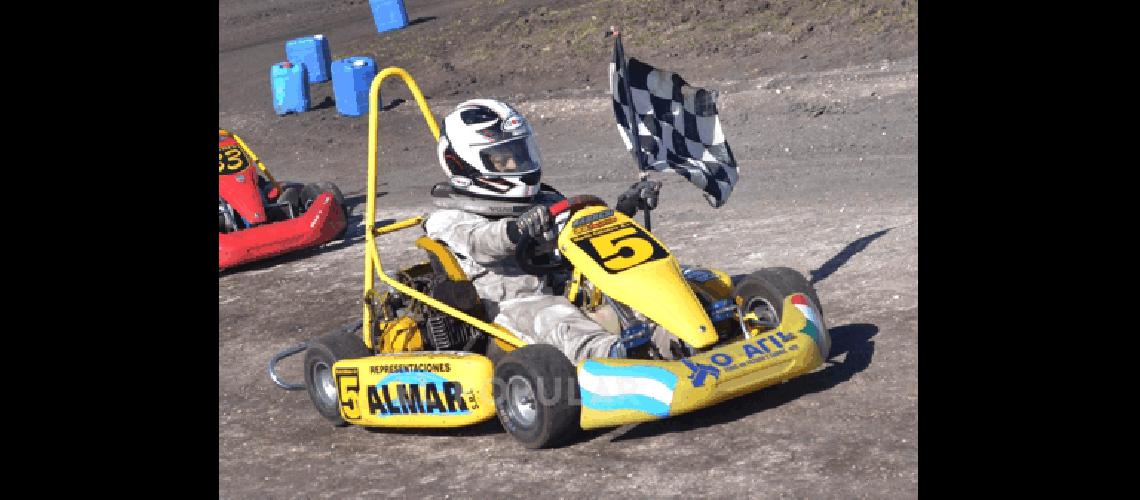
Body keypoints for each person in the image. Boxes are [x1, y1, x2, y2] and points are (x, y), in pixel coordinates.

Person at [422, 99, 662, 364]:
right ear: (462, 164)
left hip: (563, 285)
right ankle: (614, 359)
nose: (515, 164)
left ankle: (670, 339)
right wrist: (516, 229)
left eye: (519, 153)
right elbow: (481, 243)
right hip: (508, 309)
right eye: (503, 160)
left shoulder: (544, 201)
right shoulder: (447, 219)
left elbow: (579, 228)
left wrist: (624, 209)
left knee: (628, 286)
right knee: (555, 315)